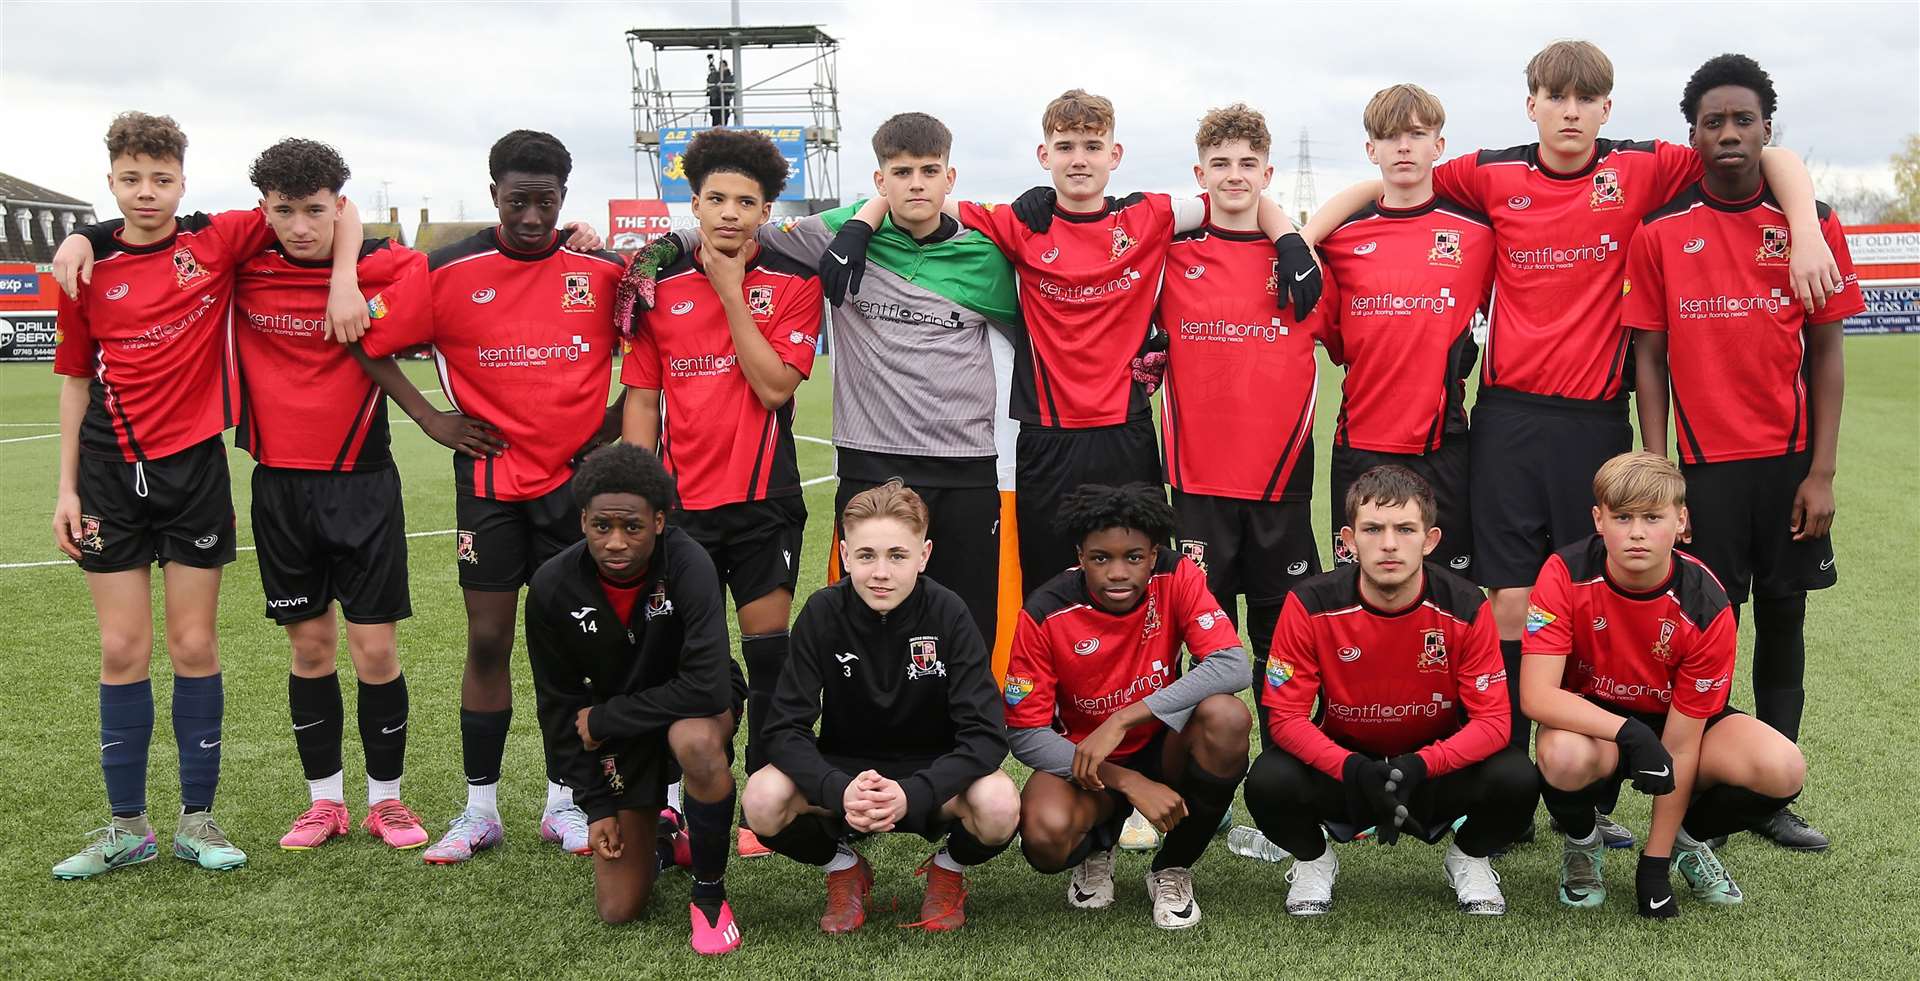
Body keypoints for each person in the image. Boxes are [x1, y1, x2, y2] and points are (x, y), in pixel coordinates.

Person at [1303, 44, 1838, 850]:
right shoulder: (1490, 174)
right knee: (1512, 607)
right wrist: (1299, 235)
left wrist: (1802, 226)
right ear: (1532, 106)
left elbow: (1772, 151)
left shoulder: (1644, 169)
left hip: (1596, 420)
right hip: (1509, 422)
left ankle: (1579, 800)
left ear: (1607, 110)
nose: (1571, 112)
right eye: (1556, 98)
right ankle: (1513, 795)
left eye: (1588, 100)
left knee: (1585, 604)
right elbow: (1392, 179)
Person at [823, 90, 1318, 597]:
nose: (1079, 159)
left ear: (1114, 155)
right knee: (1051, 591)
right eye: (1065, 147)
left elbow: (1237, 193)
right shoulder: (1018, 222)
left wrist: (1289, 239)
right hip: (1046, 437)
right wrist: (861, 225)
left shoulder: (1150, 216)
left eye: (1091, 145)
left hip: (1124, 435)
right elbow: (919, 195)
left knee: (1139, 584)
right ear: (1045, 156)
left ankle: (1144, 679)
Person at [48, 113, 367, 880]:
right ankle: (128, 826)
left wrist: (348, 275)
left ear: (184, 181)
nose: (147, 192)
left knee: (194, 645)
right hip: (105, 474)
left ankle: (197, 818)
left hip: (192, 471)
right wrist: (65, 485)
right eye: (131, 179)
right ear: (112, 181)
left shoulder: (216, 240)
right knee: (123, 648)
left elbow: (339, 203)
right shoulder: (83, 267)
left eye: (161, 178)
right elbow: (72, 378)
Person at [631, 111, 1017, 650]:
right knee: (864, 629)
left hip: (967, 465)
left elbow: (1049, 312)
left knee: (967, 626)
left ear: (950, 179)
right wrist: (663, 247)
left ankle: (966, 735)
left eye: (930, 171)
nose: (917, 183)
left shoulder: (989, 256)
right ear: (880, 181)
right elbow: (734, 225)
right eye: (901, 173)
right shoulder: (828, 236)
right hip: (870, 459)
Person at [357, 129, 628, 864]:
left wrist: (610, 424)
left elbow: (655, 344)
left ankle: (564, 804)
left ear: (564, 198)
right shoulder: (447, 270)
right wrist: (429, 417)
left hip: (576, 490)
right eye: (518, 201)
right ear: (493, 196)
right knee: (488, 639)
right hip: (489, 483)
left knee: (571, 646)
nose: (533, 217)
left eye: (546, 202)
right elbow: (363, 339)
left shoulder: (602, 269)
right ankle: (480, 808)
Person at [1625, 54, 1862, 853]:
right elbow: (1648, 358)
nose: (1729, 134)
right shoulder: (1660, 232)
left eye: (1744, 120)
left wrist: (1822, 472)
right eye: (1713, 123)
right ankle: (1710, 790)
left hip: (1788, 465)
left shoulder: (1810, 223)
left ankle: (1769, 793)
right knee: (1710, 627)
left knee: (1786, 618)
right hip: (1702, 472)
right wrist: (1662, 476)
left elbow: (1827, 352)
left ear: (1768, 129)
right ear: (1692, 137)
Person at [621, 127, 822, 856]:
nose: (730, 212)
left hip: (765, 502)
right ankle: (673, 802)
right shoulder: (656, 288)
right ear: (693, 203)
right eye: (715, 198)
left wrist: (734, 292)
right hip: (680, 512)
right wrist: (639, 501)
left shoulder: (796, 285)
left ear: (767, 209)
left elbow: (773, 387)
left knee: (768, 657)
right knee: (676, 657)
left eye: (747, 200)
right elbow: (641, 400)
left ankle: (762, 804)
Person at [1522, 452, 1808, 918]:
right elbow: (1536, 696)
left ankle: (1685, 843)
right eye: (1622, 517)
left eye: (1652, 518)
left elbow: (1681, 744)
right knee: (1562, 757)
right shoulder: (1564, 572)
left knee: (1782, 768)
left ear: (1681, 521)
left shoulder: (1706, 602)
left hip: (1677, 720)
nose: (1637, 532)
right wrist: (1629, 733)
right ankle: (1582, 842)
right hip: (1597, 721)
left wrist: (1652, 866)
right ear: (1599, 520)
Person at [1245, 465, 1534, 917]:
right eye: (1373, 529)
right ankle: (1314, 861)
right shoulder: (1309, 604)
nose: (1389, 544)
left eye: (1405, 529)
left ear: (1430, 539)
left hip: (1430, 772)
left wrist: (1423, 764)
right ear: (1347, 539)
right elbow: (1284, 719)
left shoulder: (1465, 604)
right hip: (1348, 771)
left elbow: (1495, 723)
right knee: (1268, 780)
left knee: (1516, 777)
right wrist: (1352, 769)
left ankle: (1469, 858)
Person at [746, 480, 1018, 933]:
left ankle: (947, 870)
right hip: (847, 768)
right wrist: (837, 788)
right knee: (762, 798)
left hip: (933, 770)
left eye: (897, 555)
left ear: (924, 556)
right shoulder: (822, 612)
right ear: (846, 554)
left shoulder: (949, 612)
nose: (881, 573)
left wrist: (916, 792)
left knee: (999, 805)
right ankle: (843, 867)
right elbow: (783, 729)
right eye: (867, 555)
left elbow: (987, 734)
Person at [525, 443, 744, 953]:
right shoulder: (552, 586)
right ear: (583, 521)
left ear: (661, 521)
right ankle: (667, 838)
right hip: (619, 732)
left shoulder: (689, 564)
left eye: (633, 527)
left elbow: (708, 685)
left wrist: (608, 717)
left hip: (687, 706)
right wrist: (595, 805)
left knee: (695, 742)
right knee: (618, 909)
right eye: (603, 526)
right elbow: (557, 707)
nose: (616, 542)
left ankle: (709, 894)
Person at [1004, 483, 1252, 930]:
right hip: (1089, 762)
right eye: (1101, 558)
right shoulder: (1045, 611)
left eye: (1133, 557)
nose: (1118, 572)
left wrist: (1124, 717)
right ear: (1080, 556)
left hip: (1163, 745)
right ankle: (1098, 845)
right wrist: (1127, 780)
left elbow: (1233, 665)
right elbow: (1024, 731)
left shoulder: (1177, 575)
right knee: (1044, 834)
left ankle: (1173, 868)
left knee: (1228, 718)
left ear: (1153, 555)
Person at [1155, 103, 1327, 743]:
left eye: (1247, 163)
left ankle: (1287, 777)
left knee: (1284, 653)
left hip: (1280, 488)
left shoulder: (1304, 264)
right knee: (1199, 650)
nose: (1234, 175)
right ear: (1199, 173)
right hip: (1197, 488)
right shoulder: (1172, 256)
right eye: (1220, 163)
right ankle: (1194, 784)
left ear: (1268, 171)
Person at [1315, 84, 1492, 581]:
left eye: (1417, 134)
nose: (1404, 147)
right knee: (1355, 588)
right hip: (1360, 442)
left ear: (1438, 145)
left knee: (1449, 591)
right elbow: (1332, 339)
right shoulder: (1340, 241)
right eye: (1390, 136)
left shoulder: (1478, 236)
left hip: (1443, 444)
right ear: (1371, 150)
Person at [706, 54, 724, 128]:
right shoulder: (714, 76)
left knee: (717, 115)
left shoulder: (716, 75)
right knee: (715, 114)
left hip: (717, 97)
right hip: (714, 97)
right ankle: (717, 127)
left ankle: (717, 127)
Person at [720, 59, 736, 124]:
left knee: (724, 116)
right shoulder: (716, 75)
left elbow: (731, 87)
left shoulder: (730, 76)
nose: (722, 68)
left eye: (723, 66)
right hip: (717, 100)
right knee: (716, 117)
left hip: (725, 99)